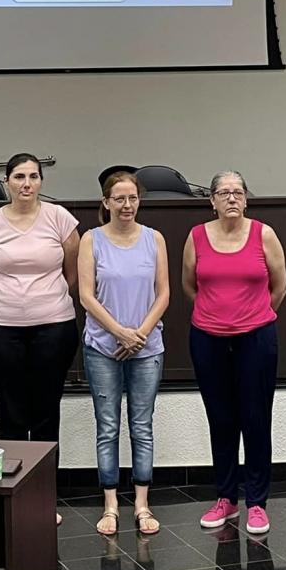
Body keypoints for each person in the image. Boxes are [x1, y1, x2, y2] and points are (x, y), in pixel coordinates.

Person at [0, 153, 80, 524]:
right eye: (19, 176)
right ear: (7, 181)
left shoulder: (60, 218)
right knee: (11, 414)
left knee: (47, 413)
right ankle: (13, 498)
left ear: (41, 182)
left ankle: (45, 499)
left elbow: (72, 272)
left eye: (34, 176)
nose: (27, 184)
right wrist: (13, 304)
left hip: (54, 327)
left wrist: (42, 301)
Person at [182, 170, 286, 535]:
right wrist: (216, 316)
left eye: (238, 192)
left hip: (256, 338)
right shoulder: (197, 236)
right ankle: (226, 498)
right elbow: (189, 286)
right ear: (212, 200)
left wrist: (251, 317)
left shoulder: (264, 234)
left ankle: (257, 503)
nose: (232, 198)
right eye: (224, 192)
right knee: (221, 419)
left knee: (256, 419)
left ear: (245, 198)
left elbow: (280, 286)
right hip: (207, 339)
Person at [78, 170, 169, 537]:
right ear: (106, 202)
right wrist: (119, 332)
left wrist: (139, 335)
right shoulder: (91, 239)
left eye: (132, 198)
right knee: (108, 426)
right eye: (119, 199)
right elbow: (86, 295)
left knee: (142, 426)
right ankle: (111, 505)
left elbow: (163, 293)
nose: (127, 205)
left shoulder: (154, 238)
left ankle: (142, 504)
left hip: (147, 347)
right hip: (103, 346)